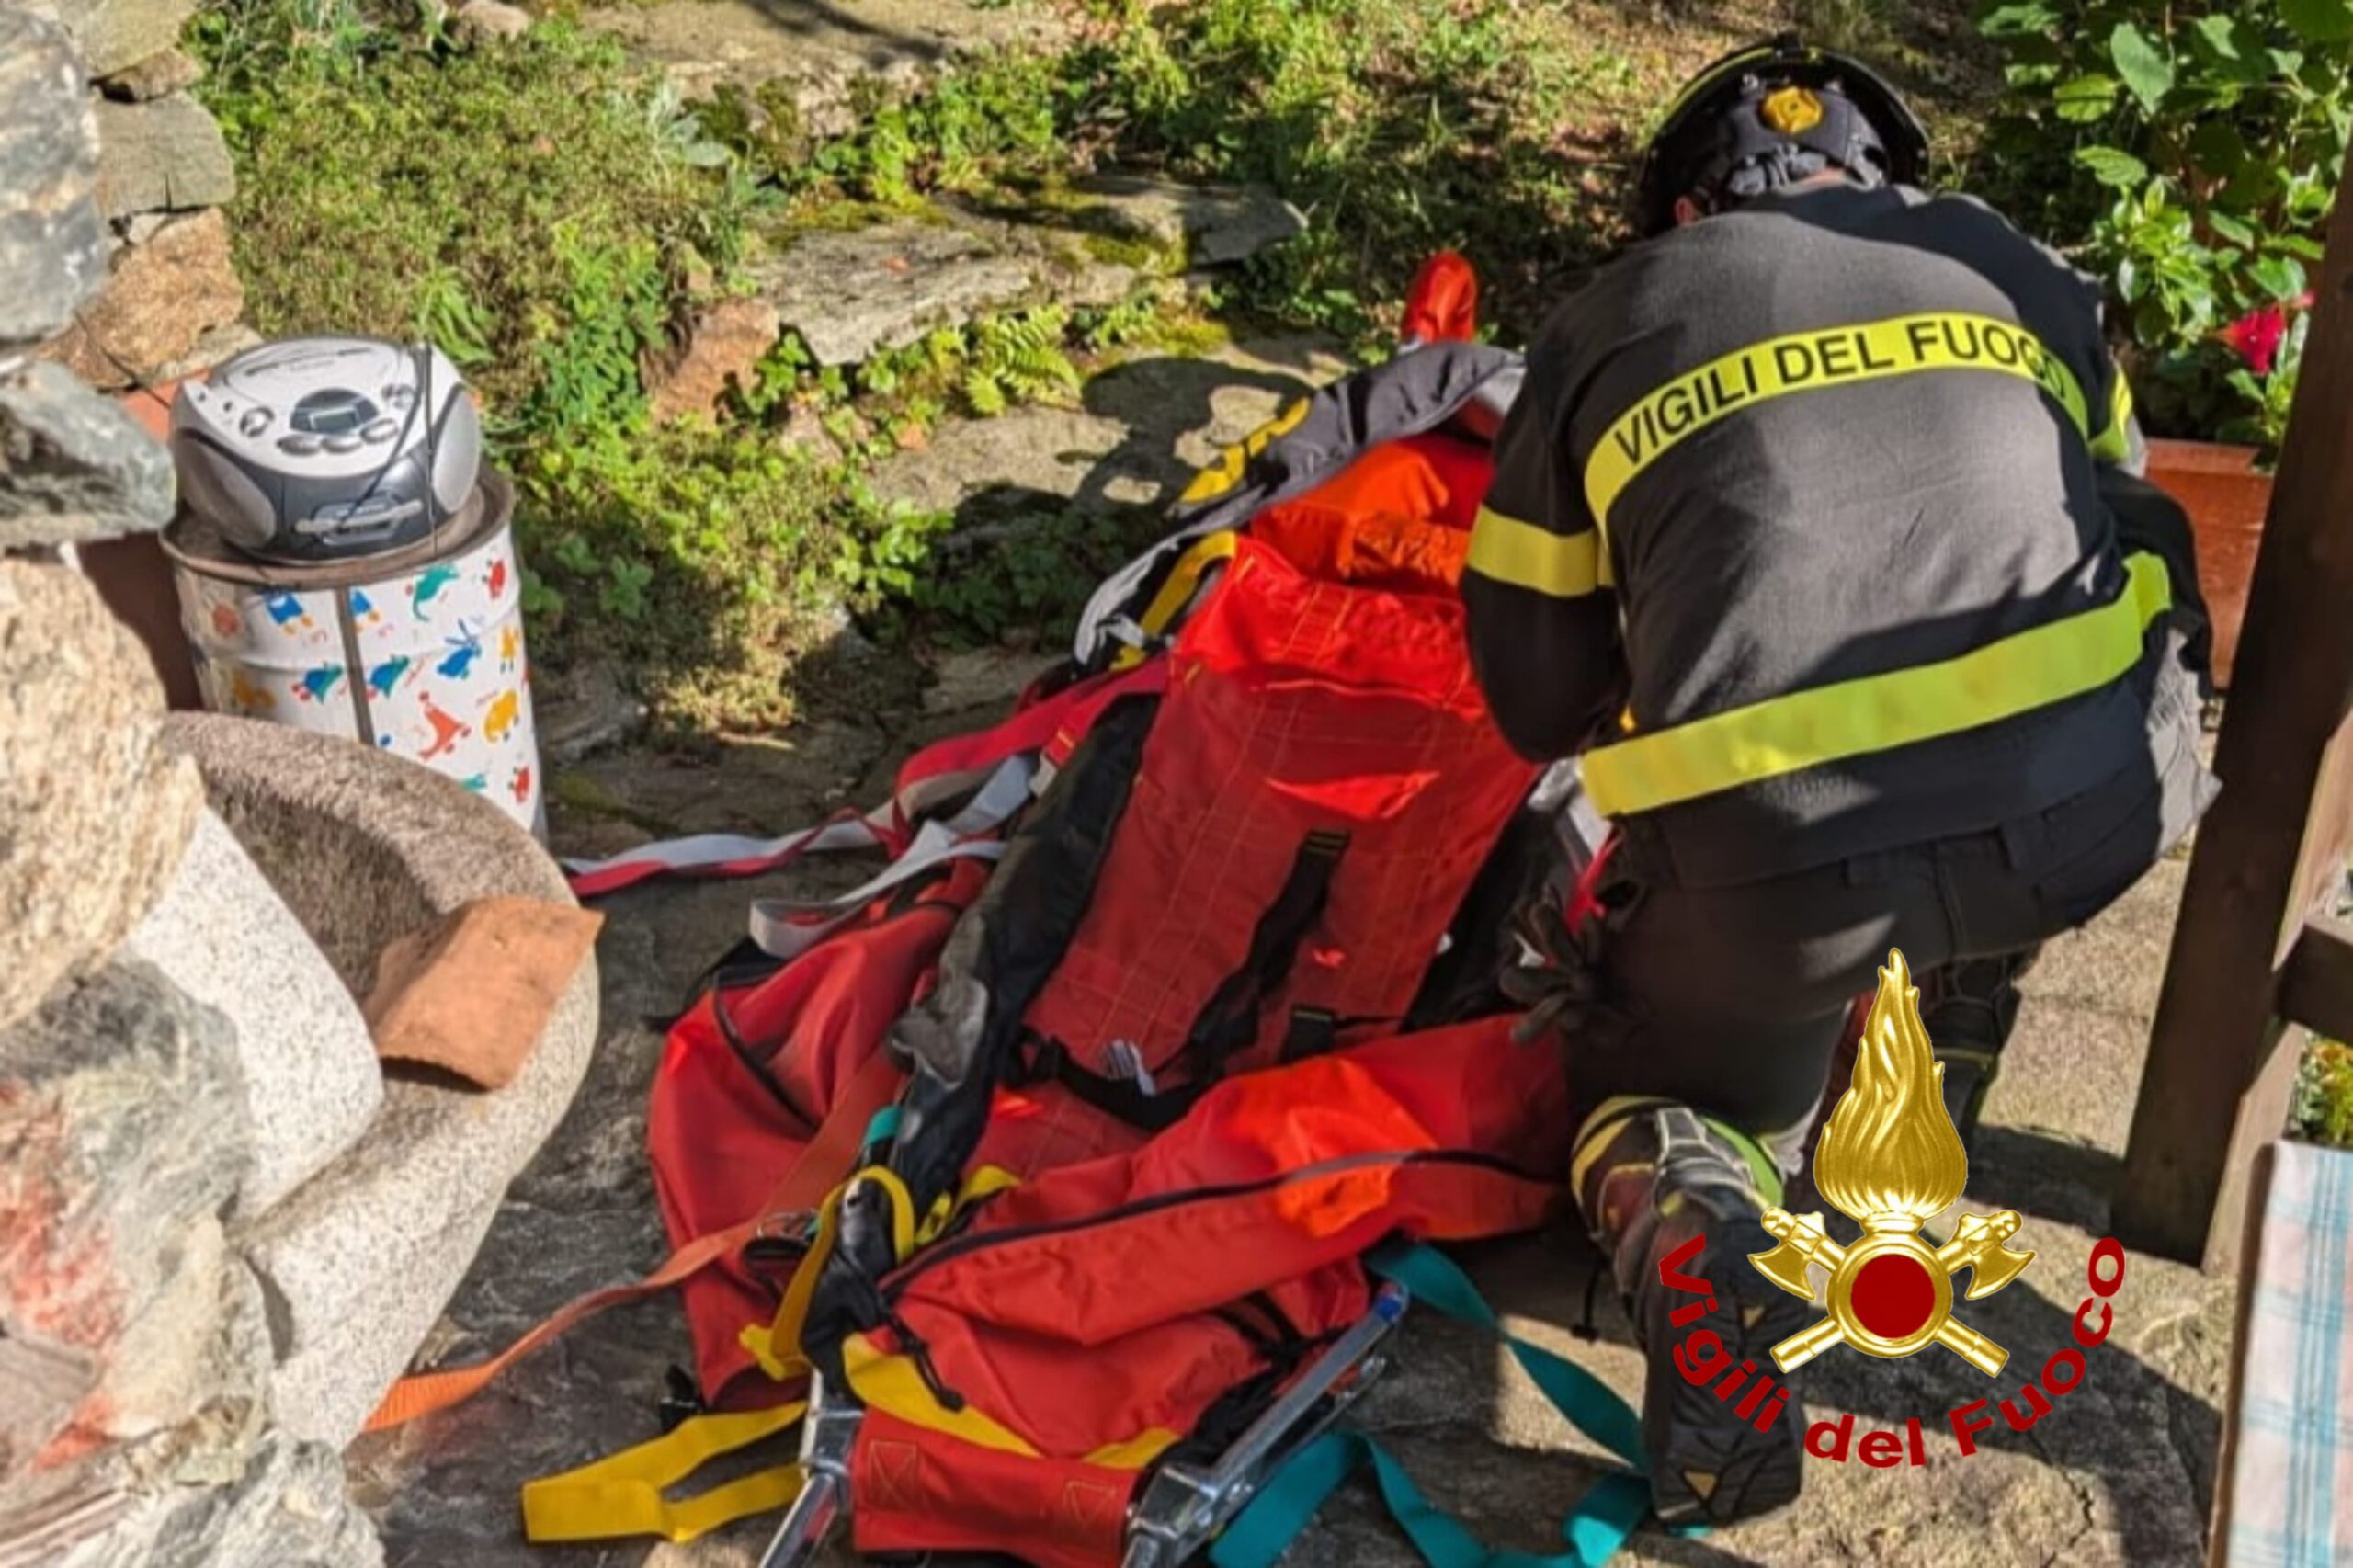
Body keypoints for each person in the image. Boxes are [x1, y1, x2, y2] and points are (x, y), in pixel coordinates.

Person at [1460, 33, 2216, 1528]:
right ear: (1881, 177)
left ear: (1683, 214)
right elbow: (2139, 521)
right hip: (2103, 812)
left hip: (1783, 881)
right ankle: (1964, 981)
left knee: (1650, 1094)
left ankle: (1703, 1210)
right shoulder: (2016, 264)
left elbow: (1535, 704)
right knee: (2017, 784)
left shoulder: (1609, 321)